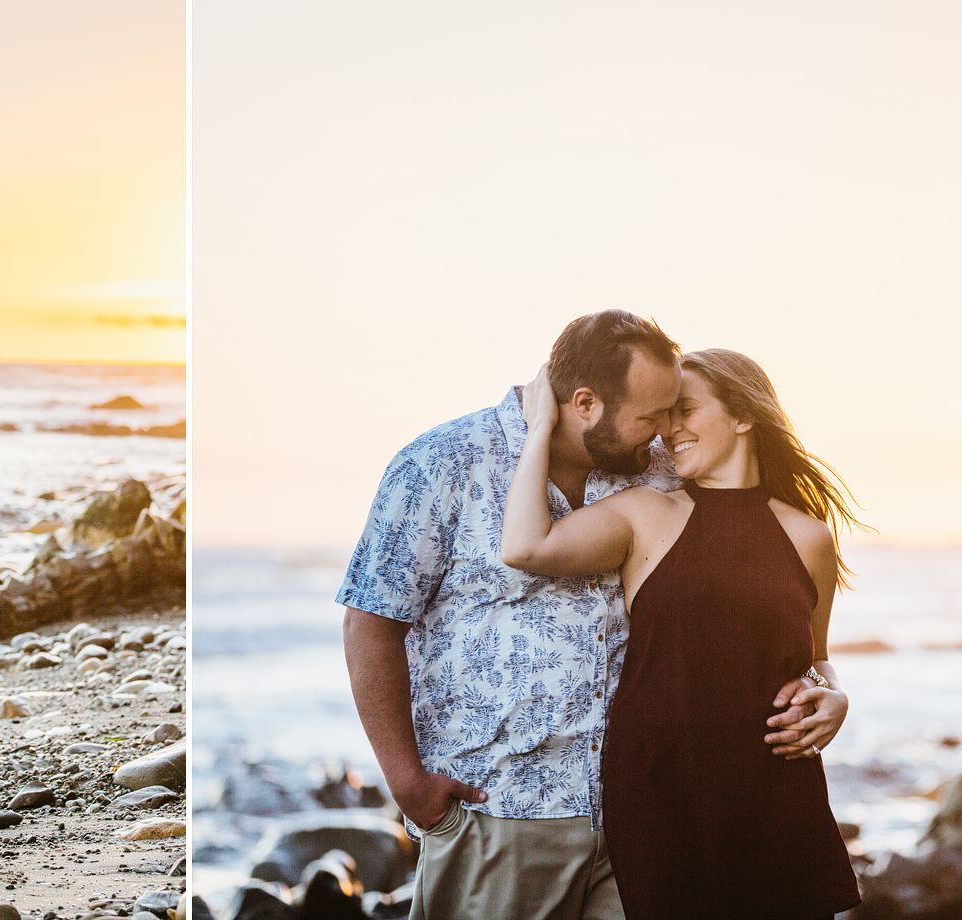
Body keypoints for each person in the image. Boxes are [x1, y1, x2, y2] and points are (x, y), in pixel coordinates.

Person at [339, 311, 826, 920]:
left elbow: (747, 600)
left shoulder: (659, 472)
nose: (662, 433)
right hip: (505, 806)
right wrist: (408, 783)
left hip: (644, 817)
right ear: (587, 403)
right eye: (652, 415)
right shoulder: (442, 463)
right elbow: (371, 621)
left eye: (674, 411)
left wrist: (822, 687)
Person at [500, 348, 863, 920]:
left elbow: (815, 656)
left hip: (775, 796)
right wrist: (541, 426)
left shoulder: (809, 537)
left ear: (744, 416)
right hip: (661, 796)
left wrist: (835, 697)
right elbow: (525, 546)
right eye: (665, 415)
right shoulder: (646, 513)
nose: (669, 430)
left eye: (686, 410)